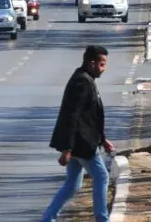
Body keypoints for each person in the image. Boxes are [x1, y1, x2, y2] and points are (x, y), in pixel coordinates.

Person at [42, 45, 113, 222]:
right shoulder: (82, 82)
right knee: (102, 177)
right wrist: (67, 149)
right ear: (91, 63)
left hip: (79, 142)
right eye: (102, 64)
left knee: (73, 184)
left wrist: (103, 139)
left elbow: (91, 117)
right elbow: (72, 116)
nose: (104, 68)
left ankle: (47, 218)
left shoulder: (85, 78)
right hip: (81, 143)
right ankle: (102, 219)